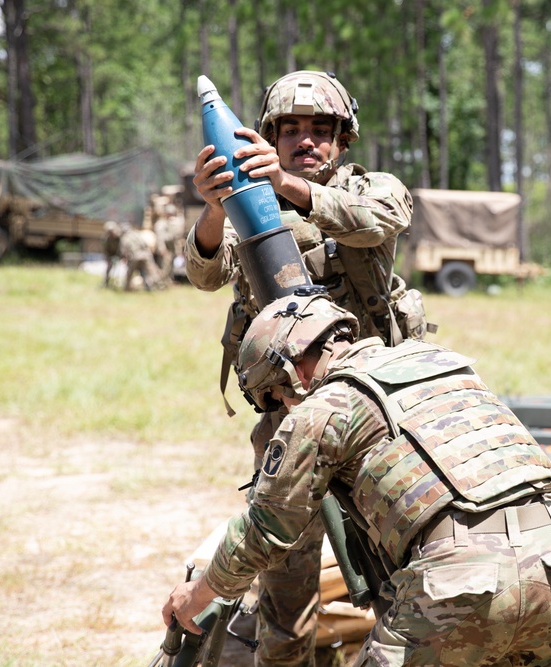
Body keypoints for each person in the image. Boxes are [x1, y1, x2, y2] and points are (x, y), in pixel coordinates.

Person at [161, 290, 551, 667]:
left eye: (272, 397)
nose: (279, 409)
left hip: (458, 589)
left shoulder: (326, 406)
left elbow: (265, 533)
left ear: (290, 374)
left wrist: (197, 593)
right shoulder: (443, 363)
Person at [183, 71, 427, 666]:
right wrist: (216, 209)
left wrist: (287, 186)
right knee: (285, 596)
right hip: (291, 423)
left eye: (321, 129)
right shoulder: (250, 204)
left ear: (343, 139)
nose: (305, 140)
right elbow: (203, 273)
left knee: (401, 578)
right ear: (266, 136)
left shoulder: (371, 190)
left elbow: (376, 222)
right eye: (289, 130)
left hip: (379, 422)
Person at [120, 222, 163, 292]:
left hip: (134, 256)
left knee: (129, 274)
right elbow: (145, 244)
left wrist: (124, 258)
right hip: (146, 255)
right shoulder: (137, 234)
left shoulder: (125, 238)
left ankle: (127, 288)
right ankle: (160, 286)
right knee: (152, 273)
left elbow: (123, 251)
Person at [102, 220, 123, 288]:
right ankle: (106, 283)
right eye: (109, 232)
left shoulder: (120, 238)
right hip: (111, 255)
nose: (111, 233)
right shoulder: (106, 239)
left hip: (120, 255)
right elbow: (106, 250)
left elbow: (123, 247)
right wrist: (108, 258)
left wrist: (121, 256)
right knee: (108, 269)